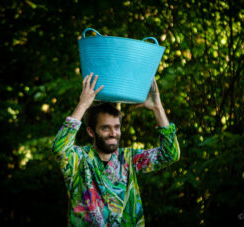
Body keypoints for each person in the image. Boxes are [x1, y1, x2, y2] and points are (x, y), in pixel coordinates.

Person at [52, 72, 180, 226]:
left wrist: (157, 108)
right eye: (106, 128)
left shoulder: (128, 159)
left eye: (117, 127)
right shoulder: (79, 160)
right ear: (91, 131)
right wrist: (83, 105)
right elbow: (60, 148)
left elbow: (170, 154)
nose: (113, 133)